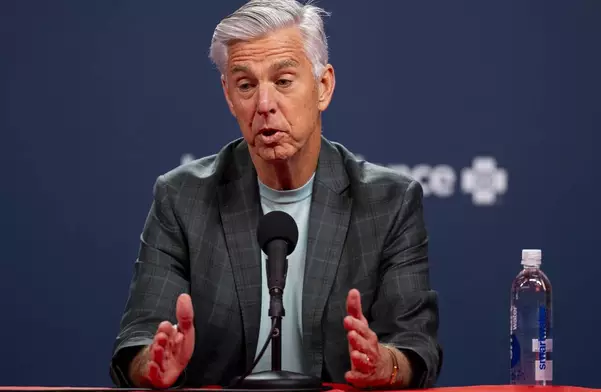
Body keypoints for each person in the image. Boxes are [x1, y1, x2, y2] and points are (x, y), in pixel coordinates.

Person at [109, 0, 442, 389]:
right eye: (246, 85)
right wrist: (153, 363)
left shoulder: (388, 202)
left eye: (283, 81)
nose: (264, 105)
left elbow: (416, 345)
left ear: (323, 87)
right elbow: (138, 339)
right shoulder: (182, 198)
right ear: (229, 96)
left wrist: (386, 364)